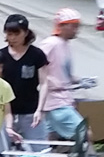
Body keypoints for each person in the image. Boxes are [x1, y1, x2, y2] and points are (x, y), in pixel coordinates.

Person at [37, 8, 87, 140]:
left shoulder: (65, 44)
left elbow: (63, 73)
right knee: (84, 133)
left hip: (64, 98)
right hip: (55, 101)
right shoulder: (50, 44)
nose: (76, 30)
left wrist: (80, 81)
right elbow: (35, 65)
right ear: (62, 26)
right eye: (74, 26)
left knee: (50, 139)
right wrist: (48, 81)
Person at [0, 13, 48, 143]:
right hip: (5, 112)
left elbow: (44, 83)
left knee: (38, 148)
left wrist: (40, 109)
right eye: (9, 34)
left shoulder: (36, 54)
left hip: (31, 111)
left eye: (17, 34)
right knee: (4, 152)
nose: (13, 38)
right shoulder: (0, 56)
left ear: (26, 33)